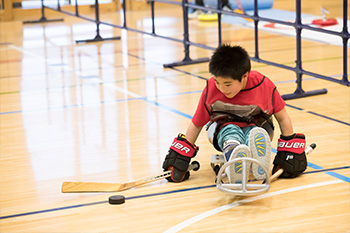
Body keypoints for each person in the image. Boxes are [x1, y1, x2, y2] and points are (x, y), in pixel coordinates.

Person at [162, 44, 307, 184]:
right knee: (231, 132)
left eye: (227, 84)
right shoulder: (211, 87)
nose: (221, 88)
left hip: (259, 126)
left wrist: (289, 150)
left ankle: (248, 157)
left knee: (254, 133)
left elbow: (283, 117)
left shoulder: (263, 85)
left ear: (245, 76)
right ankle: (235, 156)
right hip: (221, 127)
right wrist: (181, 155)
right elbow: (197, 123)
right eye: (217, 82)